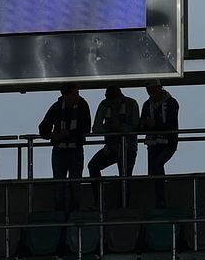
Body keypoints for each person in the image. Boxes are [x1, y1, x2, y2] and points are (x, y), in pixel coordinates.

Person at [39, 86, 91, 215]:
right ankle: (60, 215)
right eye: (74, 94)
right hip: (60, 151)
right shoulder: (56, 107)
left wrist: (67, 134)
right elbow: (43, 128)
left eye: (77, 93)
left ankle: (74, 215)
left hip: (75, 150)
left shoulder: (83, 106)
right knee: (59, 185)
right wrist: (53, 135)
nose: (77, 96)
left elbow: (86, 128)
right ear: (66, 95)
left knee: (75, 185)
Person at [88, 86, 140, 194]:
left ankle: (123, 203)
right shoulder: (104, 104)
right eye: (109, 101)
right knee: (93, 166)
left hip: (128, 149)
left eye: (114, 101)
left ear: (120, 97)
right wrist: (108, 128)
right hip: (110, 148)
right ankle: (99, 199)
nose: (112, 104)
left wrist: (119, 127)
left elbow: (136, 128)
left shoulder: (131, 103)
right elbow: (95, 128)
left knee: (125, 178)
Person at [140, 81, 180, 206]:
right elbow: (142, 123)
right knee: (154, 170)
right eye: (148, 91)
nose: (151, 93)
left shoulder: (171, 102)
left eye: (153, 90)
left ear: (159, 88)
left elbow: (172, 124)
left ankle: (161, 200)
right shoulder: (147, 104)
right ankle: (157, 200)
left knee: (157, 165)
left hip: (168, 143)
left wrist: (154, 124)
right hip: (152, 143)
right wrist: (144, 125)